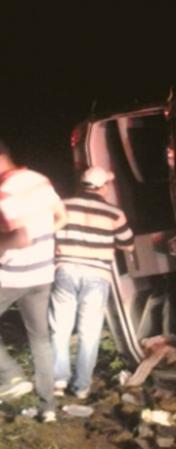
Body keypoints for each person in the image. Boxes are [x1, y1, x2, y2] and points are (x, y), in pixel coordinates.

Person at [49, 166, 134, 400]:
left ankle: (58, 380)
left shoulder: (63, 205)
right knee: (89, 331)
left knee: (60, 327)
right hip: (97, 275)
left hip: (65, 270)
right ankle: (81, 386)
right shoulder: (114, 213)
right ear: (102, 186)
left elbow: (48, 233)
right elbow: (128, 244)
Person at [0, 140, 67, 423]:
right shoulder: (40, 180)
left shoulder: (4, 191)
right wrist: (43, 242)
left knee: (39, 339)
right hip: (43, 274)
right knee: (40, 340)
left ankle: (12, 376)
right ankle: (48, 407)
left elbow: (19, 237)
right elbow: (62, 218)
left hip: (13, 276)